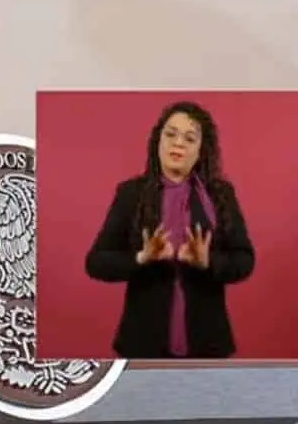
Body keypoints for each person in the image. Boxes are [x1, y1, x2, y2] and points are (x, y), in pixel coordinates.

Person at [84, 101, 254, 359]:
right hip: (142, 344)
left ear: (201, 149)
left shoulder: (220, 195)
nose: (178, 143)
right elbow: (96, 263)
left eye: (189, 138)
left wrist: (208, 262)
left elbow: (245, 260)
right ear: (158, 140)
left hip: (208, 344)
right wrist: (142, 257)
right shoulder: (131, 193)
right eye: (171, 134)